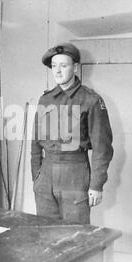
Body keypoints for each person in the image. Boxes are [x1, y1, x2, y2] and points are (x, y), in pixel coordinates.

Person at [31, 43, 113, 224]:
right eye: (53, 66)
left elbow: (102, 147)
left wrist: (96, 185)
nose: (57, 71)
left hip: (75, 173)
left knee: (75, 236)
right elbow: (36, 142)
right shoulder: (45, 99)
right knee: (44, 233)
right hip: (46, 175)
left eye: (63, 65)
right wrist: (36, 177)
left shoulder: (91, 100)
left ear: (75, 67)